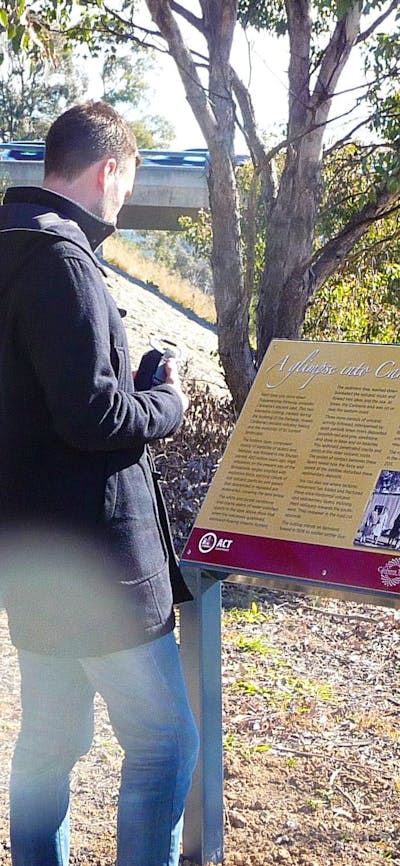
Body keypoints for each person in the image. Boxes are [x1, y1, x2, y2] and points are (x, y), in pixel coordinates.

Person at [0, 101, 199, 866]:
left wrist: (127, 382)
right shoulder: (64, 259)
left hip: (34, 558)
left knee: (49, 746)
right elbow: (91, 416)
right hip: (101, 567)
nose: (121, 203)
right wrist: (166, 402)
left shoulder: (11, 245)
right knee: (163, 745)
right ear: (108, 169)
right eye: (125, 184)